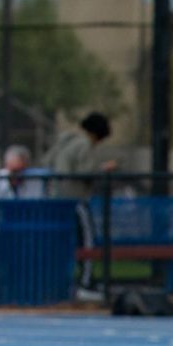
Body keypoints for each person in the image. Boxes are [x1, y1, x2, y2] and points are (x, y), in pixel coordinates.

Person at [41, 112, 118, 298]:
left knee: (59, 243)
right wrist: (104, 168)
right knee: (88, 240)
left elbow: (46, 162)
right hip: (74, 199)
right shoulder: (84, 143)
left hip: (55, 199)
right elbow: (85, 172)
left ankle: (56, 282)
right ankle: (85, 283)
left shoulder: (64, 142)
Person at [0, 145, 47, 304]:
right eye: (13, 171)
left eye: (21, 171)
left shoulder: (35, 181)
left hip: (25, 230)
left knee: (39, 243)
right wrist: (5, 231)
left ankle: (32, 292)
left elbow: (38, 212)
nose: (16, 177)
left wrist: (21, 231)